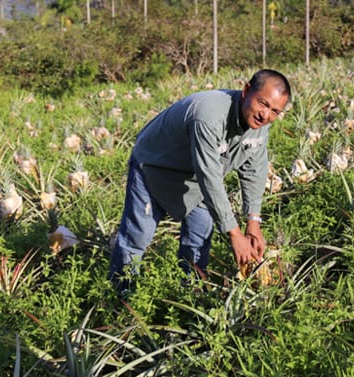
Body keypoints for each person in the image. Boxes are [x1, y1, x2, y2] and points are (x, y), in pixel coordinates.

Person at [108, 69, 291, 294]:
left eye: (275, 111)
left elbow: (255, 169)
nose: (266, 115)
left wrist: (253, 222)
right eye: (263, 103)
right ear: (245, 91)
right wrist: (235, 234)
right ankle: (120, 296)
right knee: (136, 238)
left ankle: (189, 295)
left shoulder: (260, 125)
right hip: (155, 168)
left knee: (199, 239)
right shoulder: (209, 115)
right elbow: (210, 176)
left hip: (197, 178)